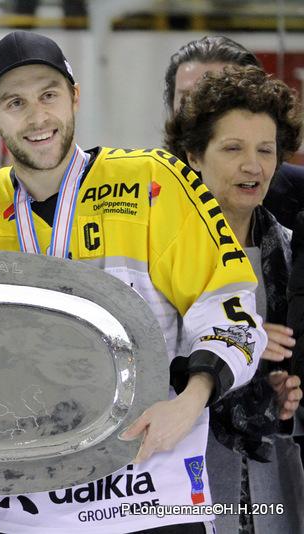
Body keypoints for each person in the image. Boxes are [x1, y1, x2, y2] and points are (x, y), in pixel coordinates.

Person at [0, 30, 265, 533]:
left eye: (49, 95)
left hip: (146, 500)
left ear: (75, 96)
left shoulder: (154, 182)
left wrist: (190, 400)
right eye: (15, 103)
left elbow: (232, 311)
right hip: (12, 511)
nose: (37, 117)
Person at [165, 64, 304, 534]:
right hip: (178, 478)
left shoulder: (290, 251)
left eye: (266, 150)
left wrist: (281, 392)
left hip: (271, 483)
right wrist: (234, 345)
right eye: (233, 149)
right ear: (193, 155)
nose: (253, 166)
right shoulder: (157, 252)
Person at [164, 35, 304, 231]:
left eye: (222, 91)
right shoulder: (148, 194)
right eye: (188, 97)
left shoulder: (295, 195)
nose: (205, 106)